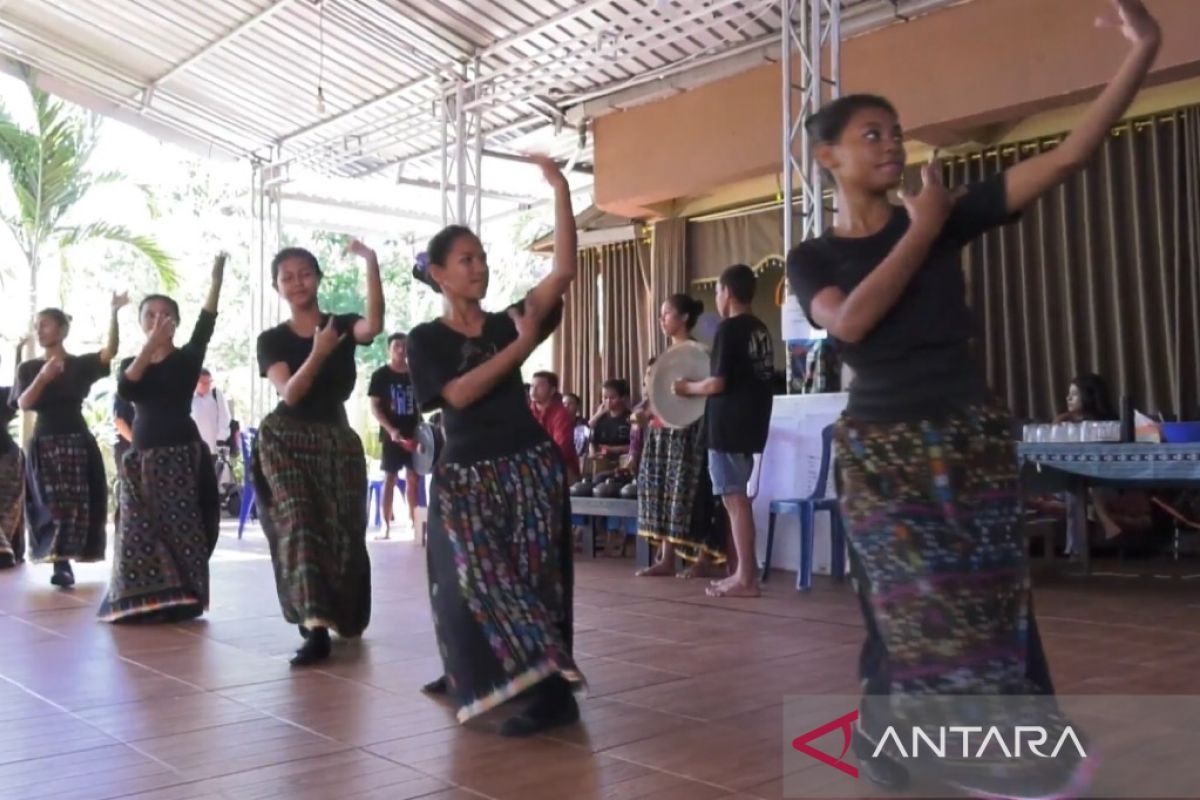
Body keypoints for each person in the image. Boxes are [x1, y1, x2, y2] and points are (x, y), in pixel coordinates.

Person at [785, 2, 1159, 795]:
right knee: (913, 599)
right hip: (883, 448)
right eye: (871, 135)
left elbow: (1066, 158)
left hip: (968, 433)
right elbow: (850, 325)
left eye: (896, 131)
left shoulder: (944, 217)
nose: (892, 145)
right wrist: (922, 230)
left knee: (977, 600)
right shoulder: (814, 253)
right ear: (827, 156)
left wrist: (1143, 51)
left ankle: (895, 741)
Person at [406, 155, 584, 737]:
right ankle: (477, 668)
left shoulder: (509, 320)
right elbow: (456, 395)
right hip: (465, 475)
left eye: (482, 257)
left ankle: (554, 691)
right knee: (476, 577)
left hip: (529, 466)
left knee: (536, 581)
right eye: (467, 259)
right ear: (439, 273)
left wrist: (559, 189)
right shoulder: (427, 339)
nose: (479, 266)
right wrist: (523, 347)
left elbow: (562, 272)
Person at [253, 240, 383, 666]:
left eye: (304, 273)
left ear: (318, 278)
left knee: (343, 530)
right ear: (277, 287)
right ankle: (313, 628)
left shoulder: (341, 324)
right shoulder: (271, 339)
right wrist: (320, 351)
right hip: (285, 438)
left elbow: (375, 327)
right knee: (300, 524)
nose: (297, 282)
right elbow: (289, 393)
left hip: (336, 440)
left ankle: (342, 614)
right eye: (286, 277)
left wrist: (371, 262)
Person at [98, 254, 226, 623]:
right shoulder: (130, 364)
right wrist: (149, 346)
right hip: (143, 458)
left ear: (176, 322)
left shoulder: (188, 359)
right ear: (141, 323)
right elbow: (127, 386)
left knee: (185, 529)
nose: (157, 321)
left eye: (164, 315)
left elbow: (207, 321)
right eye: (149, 315)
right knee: (137, 530)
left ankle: (183, 598)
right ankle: (139, 597)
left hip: (183, 455)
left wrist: (215, 281)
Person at [12, 293, 128, 588]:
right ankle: (59, 563)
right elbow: (23, 403)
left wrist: (114, 312)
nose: (40, 331)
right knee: (53, 506)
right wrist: (44, 377)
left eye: (46, 324)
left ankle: (70, 558)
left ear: (62, 330)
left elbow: (109, 351)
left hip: (77, 440)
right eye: (37, 325)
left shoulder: (79, 365)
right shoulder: (29, 369)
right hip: (45, 442)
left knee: (78, 504)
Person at [674, 265, 774, 599]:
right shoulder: (760, 329)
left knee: (734, 500)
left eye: (717, 291)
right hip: (752, 421)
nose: (716, 299)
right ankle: (744, 572)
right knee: (737, 499)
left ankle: (745, 577)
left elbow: (717, 382)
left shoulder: (729, 329)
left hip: (729, 423)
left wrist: (686, 388)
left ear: (727, 292)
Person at [636, 294, 724, 579]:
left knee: (688, 495)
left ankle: (701, 560)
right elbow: (654, 398)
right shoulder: (662, 358)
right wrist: (645, 412)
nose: (662, 319)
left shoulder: (701, 352)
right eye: (661, 315)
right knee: (663, 495)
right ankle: (667, 558)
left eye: (667, 314)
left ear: (684, 317)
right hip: (661, 433)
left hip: (688, 433)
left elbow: (706, 395)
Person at [367, 332, 421, 540]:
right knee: (390, 477)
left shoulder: (416, 374)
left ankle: (413, 523)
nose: (401, 349)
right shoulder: (381, 375)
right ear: (389, 349)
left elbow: (423, 403)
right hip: (392, 434)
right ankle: (385, 526)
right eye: (396, 345)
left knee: (413, 478)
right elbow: (374, 406)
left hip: (413, 432)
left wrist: (421, 432)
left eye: (404, 346)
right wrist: (391, 430)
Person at [0, 339, 28, 568]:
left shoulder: (4, 395)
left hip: (7, 457)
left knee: (8, 506)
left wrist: (18, 354)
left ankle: (6, 549)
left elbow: (20, 389)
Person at [529, 371, 580, 481]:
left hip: (560, 466)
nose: (533, 390)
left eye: (539, 386)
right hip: (533, 464)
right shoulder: (527, 412)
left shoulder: (561, 413)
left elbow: (561, 448)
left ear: (552, 390)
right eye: (532, 386)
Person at [588, 379, 633, 459]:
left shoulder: (630, 418)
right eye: (605, 397)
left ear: (622, 398)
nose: (608, 401)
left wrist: (611, 449)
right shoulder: (600, 418)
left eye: (612, 398)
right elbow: (591, 440)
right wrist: (597, 415)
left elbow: (636, 446)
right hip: (602, 461)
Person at [192, 368, 232, 455]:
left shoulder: (216, 394)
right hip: (194, 447)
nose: (208, 385)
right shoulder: (188, 396)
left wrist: (221, 438)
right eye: (204, 383)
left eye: (209, 382)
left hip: (214, 446)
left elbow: (224, 417)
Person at [111, 390, 135, 532]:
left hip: (141, 448)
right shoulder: (121, 394)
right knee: (126, 486)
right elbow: (119, 421)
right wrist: (136, 441)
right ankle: (121, 527)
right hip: (125, 446)